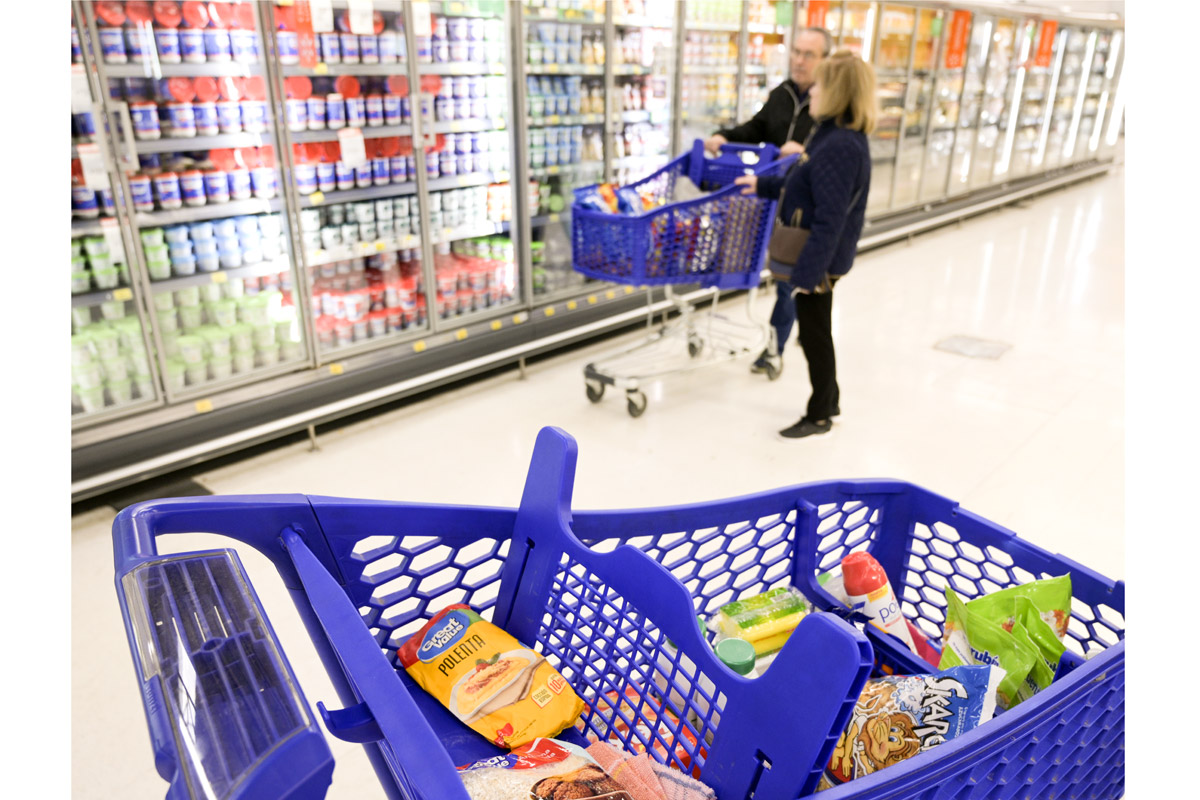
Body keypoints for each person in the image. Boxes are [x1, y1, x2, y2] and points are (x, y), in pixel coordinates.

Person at [734, 50, 877, 439]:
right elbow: (805, 184)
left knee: (814, 334)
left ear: (837, 92)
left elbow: (831, 218)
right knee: (817, 330)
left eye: (819, 84)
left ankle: (819, 415)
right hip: (819, 256)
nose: (812, 90)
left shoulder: (840, 145)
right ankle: (830, 401)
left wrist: (808, 275)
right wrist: (761, 185)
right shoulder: (831, 134)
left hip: (819, 258)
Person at [704, 27, 834, 378]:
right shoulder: (782, 94)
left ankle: (775, 349)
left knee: (787, 280)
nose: (799, 60)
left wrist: (805, 153)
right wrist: (724, 136)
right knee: (782, 278)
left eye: (808, 54)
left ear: (825, 61)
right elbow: (756, 128)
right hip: (770, 197)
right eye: (796, 51)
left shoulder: (830, 104)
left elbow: (835, 153)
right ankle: (793, 327)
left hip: (803, 209)